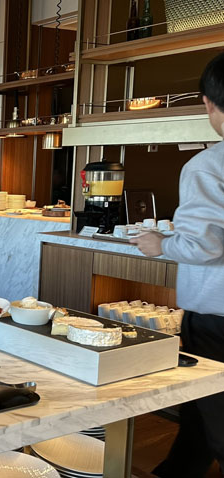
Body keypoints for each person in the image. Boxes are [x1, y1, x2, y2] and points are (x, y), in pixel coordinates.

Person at [131, 52, 224, 478]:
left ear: (208, 102)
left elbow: (203, 246)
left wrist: (161, 244)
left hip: (216, 320)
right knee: (199, 412)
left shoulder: (208, 166)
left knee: (215, 414)